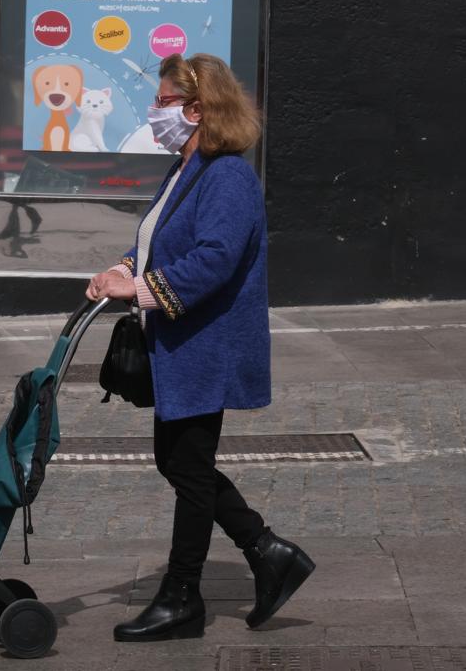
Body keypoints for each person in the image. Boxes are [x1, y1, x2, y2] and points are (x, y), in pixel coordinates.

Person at [85, 53, 314, 642]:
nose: (154, 113)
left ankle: (183, 595)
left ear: (195, 110)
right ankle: (267, 552)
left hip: (207, 344)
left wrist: (137, 288)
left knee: (186, 466)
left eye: (162, 103)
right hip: (183, 342)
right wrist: (120, 269)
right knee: (180, 461)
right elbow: (162, 242)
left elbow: (215, 258)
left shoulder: (228, 176)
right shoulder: (187, 169)